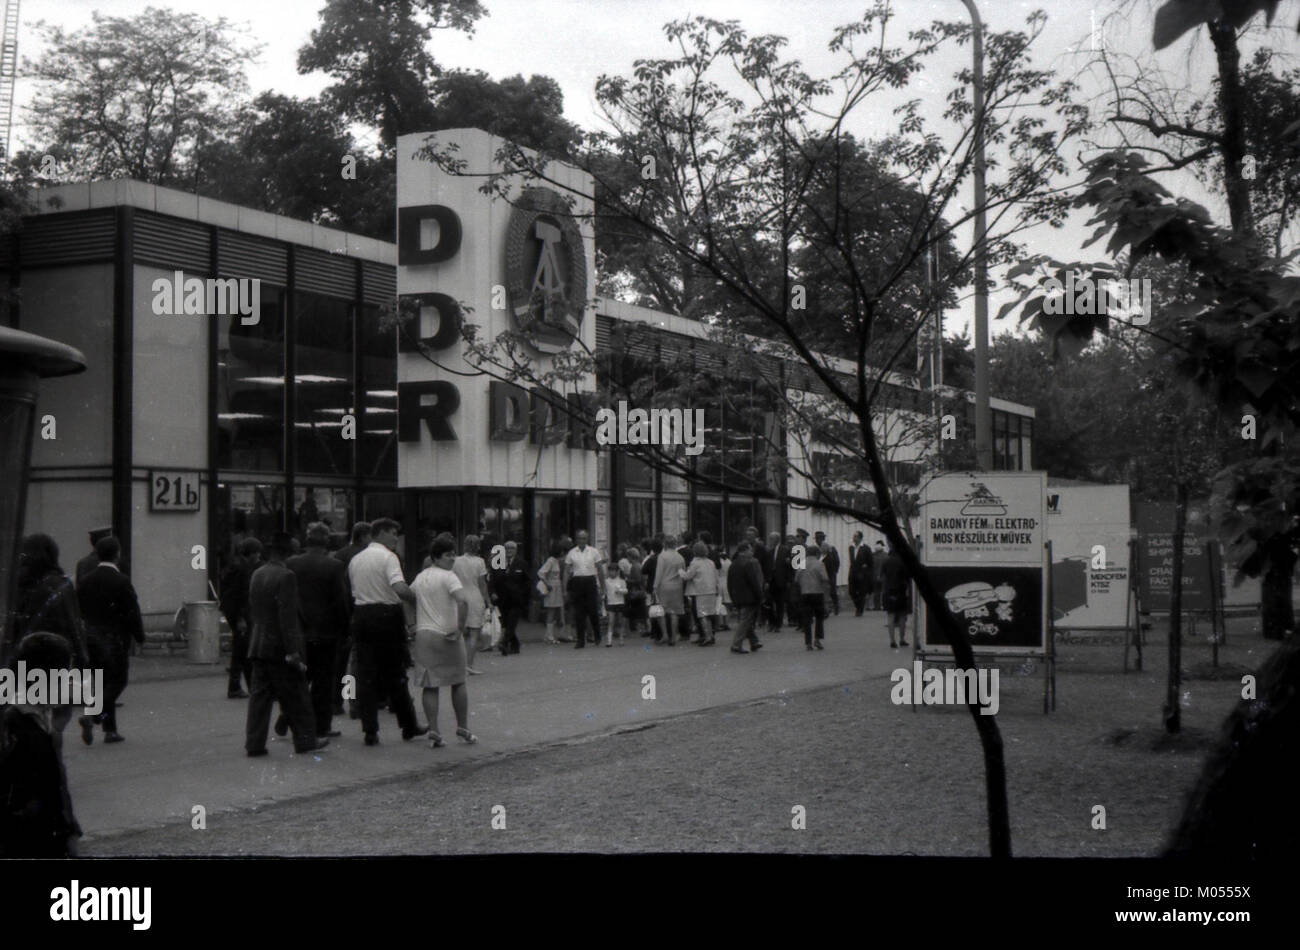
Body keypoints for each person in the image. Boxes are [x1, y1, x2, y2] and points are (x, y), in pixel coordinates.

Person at [244, 532, 329, 757]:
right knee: (297, 696)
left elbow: (254, 608)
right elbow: (287, 618)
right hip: (279, 647)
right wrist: (293, 652)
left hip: (258, 643)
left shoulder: (257, 573)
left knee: (259, 699)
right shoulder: (286, 576)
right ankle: (306, 740)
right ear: (287, 553)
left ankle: (254, 743)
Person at [0, 632, 83, 856]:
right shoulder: (13, 723)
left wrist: (70, 831)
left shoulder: (44, 718)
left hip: (48, 836)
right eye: (66, 674)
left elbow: (56, 783)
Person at [7, 534, 90, 750]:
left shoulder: (15, 585)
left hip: (22, 661)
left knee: (26, 715)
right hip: (55, 659)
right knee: (57, 719)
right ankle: (52, 767)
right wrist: (83, 663)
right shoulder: (60, 585)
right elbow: (74, 626)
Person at [348, 518, 425, 746]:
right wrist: (419, 598)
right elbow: (399, 589)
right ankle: (408, 725)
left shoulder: (356, 560)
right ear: (380, 533)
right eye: (392, 533)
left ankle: (370, 730)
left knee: (366, 674)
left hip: (362, 615)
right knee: (396, 672)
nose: (395, 537)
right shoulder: (388, 557)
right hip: (386, 616)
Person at [284, 522, 350, 739]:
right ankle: (321, 725)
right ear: (327, 542)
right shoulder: (334, 566)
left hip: (300, 630)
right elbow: (340, 601)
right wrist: (345, 627)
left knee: (302, 677)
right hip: (326, 632)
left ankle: (288, 717)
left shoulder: (291, 563)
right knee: (323, 681)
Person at [75, 536, 144, 744]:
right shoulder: (121, 581)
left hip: (91, 638)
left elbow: (79, 610)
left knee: (103, 682)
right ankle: (94, 716)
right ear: (117, 555)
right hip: (114, 638)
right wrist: (139, 636)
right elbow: (132, 611)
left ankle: (109, 729)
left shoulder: (86, 580)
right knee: (118, 681)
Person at [410, 536, 476, 747]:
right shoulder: (449, 577)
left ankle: (434, 730)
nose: (452, 558)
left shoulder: (420, 577)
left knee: (430, 685)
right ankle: (463, 727)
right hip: (447, 635)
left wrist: (411, 624)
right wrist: (460, 628)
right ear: (436, 557)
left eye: (453, 554)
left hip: (424, 634)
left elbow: (406, 597)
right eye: (448, 555)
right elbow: (463, 601)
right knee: (458, 681)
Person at [331, 522, 371, 715]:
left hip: (340, 612)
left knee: (342, 661)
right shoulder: (364, 557)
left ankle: (338, 700)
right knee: (356, 661)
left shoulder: (340, 555)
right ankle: (354, 699)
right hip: (360, 609)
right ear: (363, 536)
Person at [219, 537, 261, 699]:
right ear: (251, 554)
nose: (257, 557)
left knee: (241, 649)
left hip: (232, 611)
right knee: (242, 649)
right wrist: (241, 618)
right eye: (256, 554)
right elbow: (242, 595)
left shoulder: (234, 565)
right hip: (239, 613)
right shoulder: (243, 569)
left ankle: (241, 685)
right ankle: (240, 686)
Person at [452, 536, 490, 673]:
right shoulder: (480, 562)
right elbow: (482, 584)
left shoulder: (456, 560)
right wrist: (488, 601)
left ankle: (458, 663)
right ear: (478, 546)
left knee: (460, 631)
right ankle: (469, 664)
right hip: (475, 597)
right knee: (474, 633)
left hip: (460, 596)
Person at [563, 530, 605, 649]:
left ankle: (597, 635)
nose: (582, 541)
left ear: (587, 540)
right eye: (580, 538)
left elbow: (600, 570)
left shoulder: (593, 552)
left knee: (593, 611)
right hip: (577, 583)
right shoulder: (571, 553)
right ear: (576, 540)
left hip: (590, 582)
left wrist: (603, 587)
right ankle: (580, 640)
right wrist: (564, 589)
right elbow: (566, 571)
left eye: (584, 538)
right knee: (579, 613)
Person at [490, 540, 531, 656]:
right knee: (506, 623)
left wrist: (523, 595)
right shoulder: (497, 563)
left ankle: (504, 643)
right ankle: (515, 645)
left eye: (511, 548)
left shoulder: (522, 563)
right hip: (502, 599)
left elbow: (528, 582)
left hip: (516, 600)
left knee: (512, 621)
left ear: (516, 550)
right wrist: (492, 592)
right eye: (507, 548)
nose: (509, 551)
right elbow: (492, 580)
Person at [726, 541, 765, 654]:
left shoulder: (733, 564)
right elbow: (754, 582)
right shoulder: (748, 564)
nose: (751, 552)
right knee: (745, 621)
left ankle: (754, 641)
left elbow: (730, 583)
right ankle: (736, 644)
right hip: (749, 598)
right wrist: (760, 596)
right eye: (749, 550)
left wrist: (733, 597)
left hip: (738, 597)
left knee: (746, 620)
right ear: (744, 551)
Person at [682, 540, 719, 646]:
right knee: (710, 614)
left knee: (702, 615)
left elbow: (688, 576)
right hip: (711, 590)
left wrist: (680, 572)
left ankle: (707, 637)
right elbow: (716, 576)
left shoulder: (695, 563)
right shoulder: (711, 562)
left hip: (700, 591)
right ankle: (711, 636)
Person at [652, 535, 687, 646]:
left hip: (664, 586)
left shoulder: (662, 556)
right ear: (675, 544)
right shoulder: (680, 557)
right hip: (677, 586)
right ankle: (673, 636)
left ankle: (665, 634)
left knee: (661, 611)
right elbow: (683, 573)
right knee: (674, 612)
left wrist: (655, 587)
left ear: (665, 544)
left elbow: (659, 573)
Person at [796, 542, 831, 651]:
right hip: (817, 593)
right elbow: (825, 579)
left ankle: (808, 643)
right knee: (819, 617)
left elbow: (796, 579)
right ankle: (817, 639)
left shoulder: (801, 563)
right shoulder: (819, 564)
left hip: (805, 593)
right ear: (817, 553)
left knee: (806, 619)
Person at [880, 543, 912, 648]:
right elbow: (908, 578)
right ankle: (902, 639)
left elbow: (882, 576)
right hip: (901, 591)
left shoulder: (885, 561)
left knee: (890, 615)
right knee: (902, 615)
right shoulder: (903, 562)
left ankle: (892, 640)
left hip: (888, 591)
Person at [537, 540, 567, 644]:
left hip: (556, 587)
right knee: (551, 611)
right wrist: (547, 584)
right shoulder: (551, 560)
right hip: (552, 588)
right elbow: (541, 573)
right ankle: (549, 636)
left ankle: (549, 635)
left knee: (554, 612)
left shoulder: (557, 561)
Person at [847, 531, 874, 616]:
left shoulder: (866, 548)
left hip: (862, 573)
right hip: (853, 572)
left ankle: (859, 610)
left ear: (860, 538)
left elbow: (871, 562)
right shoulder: (851, 548)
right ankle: (858, 606)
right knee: (851, 591)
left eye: (855, 536)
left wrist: (867, 569)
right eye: (853, 536)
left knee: (862, 592)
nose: (854, 538)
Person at [621, 546, 647, 635]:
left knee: (632, 610)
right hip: (640, 591)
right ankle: (642, 628)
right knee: (641, 611)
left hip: (636, 591)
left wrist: (627, 580)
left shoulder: (634, 566)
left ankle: (632, 629)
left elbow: (637, 580)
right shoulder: (639, 565)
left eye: (628, 556)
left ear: (631, 557)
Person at [815, 531, 841, 615]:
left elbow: (837, 561)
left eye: (819, 538)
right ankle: (826, 609)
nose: (817, 540)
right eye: (816, 539)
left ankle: (836, 606)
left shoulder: (831, 548)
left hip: (830, 572)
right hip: (821, 574)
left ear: (823, 539)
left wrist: (834, 571)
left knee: (832, 591)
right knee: (822, 592)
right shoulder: (816, 550)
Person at [641, 540, 663, 641]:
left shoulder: (652, 559)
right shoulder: (664, 558)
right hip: (663, 586)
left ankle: (656, 632)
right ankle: (663, 632)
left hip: (652, 586)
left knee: (654, 610)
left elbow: (643, 570)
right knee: (662, 610)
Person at [602, 562, 627, 646]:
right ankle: (609, 640)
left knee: (620, 621)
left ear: (617, 572)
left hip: (620, 602)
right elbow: (604, 592)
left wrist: (620, 591)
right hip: (611, 603)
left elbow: (626, 590)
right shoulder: (606, 581)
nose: (611, 573)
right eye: (610, 571)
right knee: (611, 621)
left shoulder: (621, 581)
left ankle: (621, 638)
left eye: (613, 571)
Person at [872, 541, 887, 611]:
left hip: (875, 576)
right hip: (884, 576)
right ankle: (884, 605)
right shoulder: (886, 555)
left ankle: (876, 606)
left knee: (876, 592)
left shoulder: (873, 556)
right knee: (884, 591)